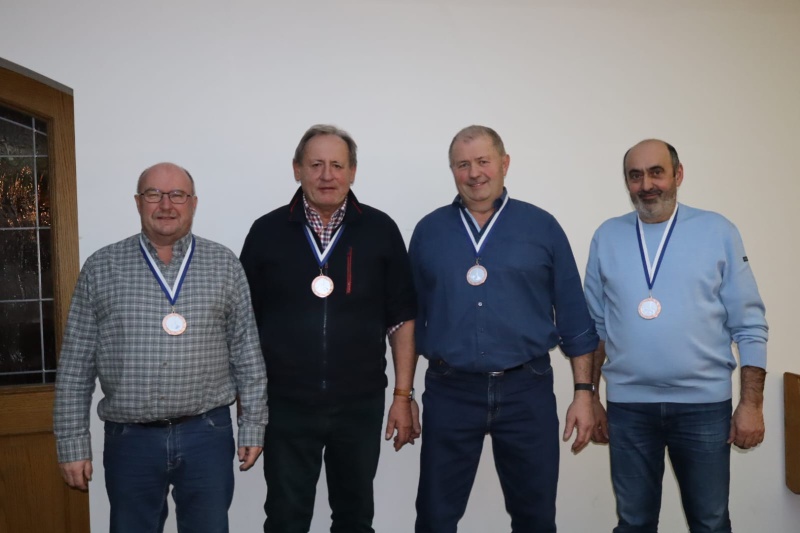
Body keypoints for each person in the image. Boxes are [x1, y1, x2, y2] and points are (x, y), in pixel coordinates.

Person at [54, 163, 267, 533]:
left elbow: (247, 353)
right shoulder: (101, 267)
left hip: (207, 435)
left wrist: (253, 426)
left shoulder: (224, 265)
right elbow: (75, 367)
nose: (166, 204)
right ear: (138, 202)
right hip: (130, 441)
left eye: (177, 195)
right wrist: (72, 443)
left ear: (193, 203)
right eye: (154, 194)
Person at [409, 125, 599, 533]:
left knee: (535, 518)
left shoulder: (542, 227)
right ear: (452, 170)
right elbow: (409, 318)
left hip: (526, 390)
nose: (474, 173)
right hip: (450, 390)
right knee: (435, 517)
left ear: (504, 164)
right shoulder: (429, 231)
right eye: (463, 164)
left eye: (483, 161)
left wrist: (584, 393)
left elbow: (573, 315)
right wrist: (402, 394)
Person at [239, 124, 418, 533]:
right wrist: (247, 400)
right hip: (284, 405)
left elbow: (402, 319)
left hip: (359, 404)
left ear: (352, 171)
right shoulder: (266, 232)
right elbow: (242, 325)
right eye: (316, 164)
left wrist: (403, 396)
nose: (327, 175)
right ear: (297, 169)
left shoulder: (380, 230)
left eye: (337, 165)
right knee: (285, 519)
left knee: (355, 518)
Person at [584, 139, 768, 532]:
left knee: (711, 523)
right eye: (635, 176)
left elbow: (750, 323)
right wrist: (590, 397)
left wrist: (751, 404)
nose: (646, 185)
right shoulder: (607, 236)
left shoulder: (718, 231)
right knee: (633, 522)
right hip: (629, 407)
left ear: (678, 174)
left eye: (657, 173)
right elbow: (594, 327)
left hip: (704, 407)